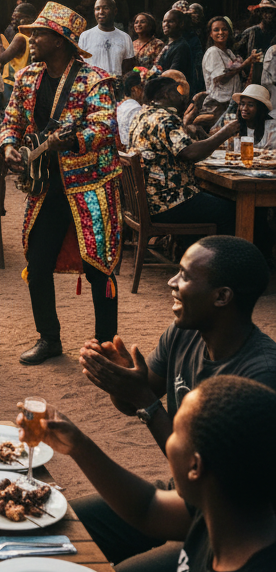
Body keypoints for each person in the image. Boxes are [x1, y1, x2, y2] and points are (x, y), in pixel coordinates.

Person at [74, 235, 276, 571]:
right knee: (65, 523)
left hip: (225, 517)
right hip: (188, 492)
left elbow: (203, 471)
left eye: (183, 275)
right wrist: (121, 382)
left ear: (222, 297)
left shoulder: (259, 376)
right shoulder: (185, 332)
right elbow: (136, 401)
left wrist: (144, 399)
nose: (171, 282)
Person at [19, 375, 276, 572]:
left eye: (175, 432)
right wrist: (78, 445)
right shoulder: (225, 510)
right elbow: (148, 507)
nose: (169, 439)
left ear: (196, 467)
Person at [0, 2, 123, 365]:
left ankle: (105, 346)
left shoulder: (95, 79)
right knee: (37, 265)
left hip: (91, 185)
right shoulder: (26, 78)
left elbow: (105, 127)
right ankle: (49, 339)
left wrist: (71, 139)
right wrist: (8, 145)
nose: (30, 39)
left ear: (60, 41)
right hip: (46, 187)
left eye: (38, 34)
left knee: (100, 267)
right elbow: (12, 121)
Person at [128, 77, 238, 234]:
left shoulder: (143, 115)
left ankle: (192, 248)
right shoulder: (164, 118)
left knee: (214, 198)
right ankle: (226, 257)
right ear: (167, 94)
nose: (182, 96)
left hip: (149, 201)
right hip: (168, 203)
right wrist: (225, 132)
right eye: (177, 91)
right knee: (232, 210)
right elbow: (190, 152)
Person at [202, 15, 255, 108]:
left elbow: (237, 72)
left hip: (232, 101)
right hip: (219, 103)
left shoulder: (229, 52)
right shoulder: (213, 52)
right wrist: (246, 63)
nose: (221, 32)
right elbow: (221, 79)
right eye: (216, 30)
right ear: (210, 34)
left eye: (224, 29)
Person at [77, 0, 135, 76]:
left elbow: (127, 69)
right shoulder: (85, 36)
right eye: (97, 9)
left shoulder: (125, 38)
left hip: (115, 85)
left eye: (106, 8)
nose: (101, 12)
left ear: (115, 11)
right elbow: (80, 64)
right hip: (92, 85)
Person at [0, 1, 37, 105]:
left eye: (15, 18)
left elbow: (3, 58)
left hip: (12, 82)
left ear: (25, 19)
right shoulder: (34, 37)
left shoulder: (20, 37)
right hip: (26, 82)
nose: (12, 21)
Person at [236, 0, 276, 85]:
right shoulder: (250, 32)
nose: (268, 15)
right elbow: (237, 54)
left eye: (271, 12)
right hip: (253, 77)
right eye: (265, 11)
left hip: (272, 77)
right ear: (260, 13)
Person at [157, 9, 196, 86]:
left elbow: (173, 74)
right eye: (164, 21)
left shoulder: (181, 47)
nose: (166, 25)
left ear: (181, 24)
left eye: (171, 21)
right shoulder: (169, 45)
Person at [115, 69, 145, 148]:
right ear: (134, 89)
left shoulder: (121, 106)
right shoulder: (136, 109)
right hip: (131, 152)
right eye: (141, 86)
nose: (143, 91)